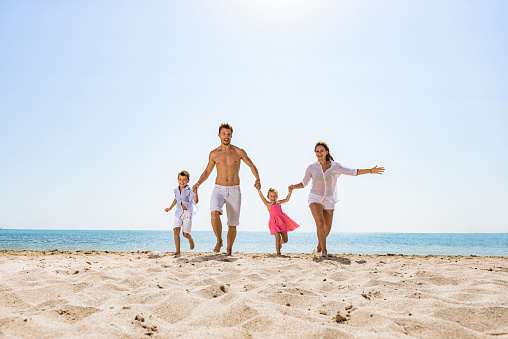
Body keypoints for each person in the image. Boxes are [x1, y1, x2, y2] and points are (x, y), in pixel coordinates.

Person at [289, 141, 385, 257]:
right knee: (320, 222)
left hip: (329, 200)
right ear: (315, 153)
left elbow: (354, 172)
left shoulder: (335, 166)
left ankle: (319, 246)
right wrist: (294, 186)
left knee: (327, 229)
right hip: (315, 198)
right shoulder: (312, 167)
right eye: (317, 151)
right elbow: (304, 183)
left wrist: (370, 171)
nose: (319, 153)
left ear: (326, 152)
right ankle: (324, 252)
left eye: (322, 151)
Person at [193, 123, 261, 255]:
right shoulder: (214, 154)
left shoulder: (239, 152)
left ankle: (229, 250)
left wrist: (257, 178)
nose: (226, 136)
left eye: (228, 134)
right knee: (214, 213)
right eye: (223, 134)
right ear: (219, 135)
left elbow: (251, 165)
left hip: (234, 190)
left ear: (231, 136)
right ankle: (219, 240)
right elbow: (207, 171)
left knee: (232, 223)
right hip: (218, 189)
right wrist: (198, 183)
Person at [257, 187, 299, 256]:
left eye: (274, 196)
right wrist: (259, 190)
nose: (273, 198)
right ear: (268, 197)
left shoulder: (278, 202)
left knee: (285, 240)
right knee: (277, 237)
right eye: (271, 196)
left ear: (277, 197)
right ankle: (278, 253)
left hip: (281, 222)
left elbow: (287, 199)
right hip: (273, 223)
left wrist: (290, 192)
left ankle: (279, 243)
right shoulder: (268, 204)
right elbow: (262, 197)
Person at [165, 170, 198, 256]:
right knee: (176, 230)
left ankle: (190, 239)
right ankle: (178, 251)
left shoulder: (189, 190)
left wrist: (195, 191)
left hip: (187, 213)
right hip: (178, 212)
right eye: (180, 179)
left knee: (185, 234)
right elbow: (176, 199)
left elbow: (195, 201)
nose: (182, 181)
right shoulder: (176, 190)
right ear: (177, 180)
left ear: (188, 181)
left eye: (184, 180)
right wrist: (170, 208)